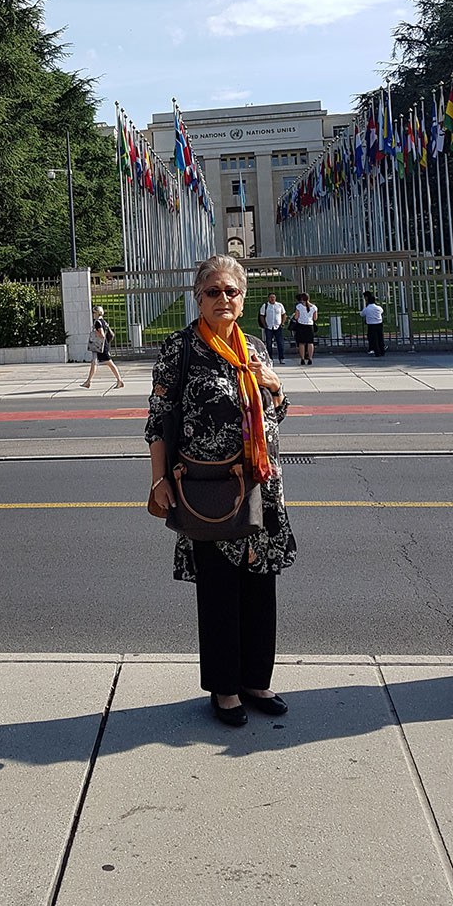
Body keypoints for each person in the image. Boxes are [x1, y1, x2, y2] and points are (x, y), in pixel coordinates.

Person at [145, 255, 297, 727]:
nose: (223, 299)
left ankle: (255, 679)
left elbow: (277, 411)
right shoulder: (180, 349)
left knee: (259, 584)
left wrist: (275, 385)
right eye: (213, 291)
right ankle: (225, 689)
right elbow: (157, 421)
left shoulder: (254, 348)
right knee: (219, 589)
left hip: (260, 485)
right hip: (209, 489)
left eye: (231, 291)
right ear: (198, 296)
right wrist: (159, 477)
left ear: (243, 297)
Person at [81, 305, 124, 389]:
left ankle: (119, 381)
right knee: (94, 363)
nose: (93, 314)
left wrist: (95, 333)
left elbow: (102, 335)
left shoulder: (97, 322)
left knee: (109, 363)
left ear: (97, 313)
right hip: (102, 346)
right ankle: (88, 381)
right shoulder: (103, 321)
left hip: (100, 346)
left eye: (94, 312)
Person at [258, 290, 286, 364]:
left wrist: (282, 323)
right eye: (271, 297)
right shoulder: (265, 306)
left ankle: (281, 358)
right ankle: (270, 358)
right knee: (269, 343)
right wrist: (264, 325)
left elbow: (284, 314)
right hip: (269, 327)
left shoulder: (279, 305)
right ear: (268, 298)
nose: (272, 299)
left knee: (280, 343)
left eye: (273, 297)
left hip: (278, 327)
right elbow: (262, 316)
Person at [292, 292, 318, 365]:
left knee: (301, 343)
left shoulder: (299, 306)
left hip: (301, 325)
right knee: (310, 342)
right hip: (310, 325)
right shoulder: (314, 307)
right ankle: (310, 358)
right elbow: (315, 318)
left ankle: (302, 358)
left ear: (302, 298)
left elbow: (296, 317)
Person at [360, 290, 385, 356]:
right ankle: (382, 351)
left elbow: (362, 314)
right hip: (379, 323)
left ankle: (377, 352)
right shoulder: (378, 308)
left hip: (371, 325)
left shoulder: (367, 309)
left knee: (374, 339)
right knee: (380, 337)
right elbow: (382, 311)